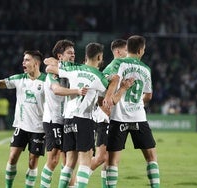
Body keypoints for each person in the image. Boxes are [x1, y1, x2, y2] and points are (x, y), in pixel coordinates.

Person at [45, 42, 133, 188]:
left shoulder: (73, 69)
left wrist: (55, 63)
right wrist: (119, 84)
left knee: (69, 163)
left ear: (85, 56)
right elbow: (110, 98)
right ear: (100, 57)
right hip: (84, 119)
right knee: (85, 161)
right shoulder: (99, 77)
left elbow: (49, 67)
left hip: (67, 119)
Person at [0, 50, 46, 188]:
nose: (23, 62)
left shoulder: (47, 81)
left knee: (32, 162)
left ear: (36, 63)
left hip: (39, 128)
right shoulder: (19, 79)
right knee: (12, 158)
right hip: (21, 126)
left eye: (27, 60)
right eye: (23, 60)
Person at [103, 35, 160, 188]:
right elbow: (149, 95)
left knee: (113, 160)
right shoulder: (146, 69)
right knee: (151, 157)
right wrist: (137, 103)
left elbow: (108, 78)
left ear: (127, 48)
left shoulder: (118, 63)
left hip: (118, 117)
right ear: (141, 50)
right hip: (138, 117)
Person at [40, 39, 87, 188]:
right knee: (53, 159)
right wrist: (77, 91)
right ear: (60, 56)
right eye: (69, 53)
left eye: (74, 53)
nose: (73, 55)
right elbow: (57, 90)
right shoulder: (53, 73)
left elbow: (49, 61)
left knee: (69, 159)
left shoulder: (72, 71)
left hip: (66, 119)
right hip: (53, 120)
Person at [90, 39, 127, 187]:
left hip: (109, 118)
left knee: (108, 159)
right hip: (103, 118)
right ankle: (75, 182)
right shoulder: (113, 68)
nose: (128, 53)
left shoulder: (119, 68)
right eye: (126, 50)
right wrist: (123, 88)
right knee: (102, 158)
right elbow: (104, 99)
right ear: (118, 52)